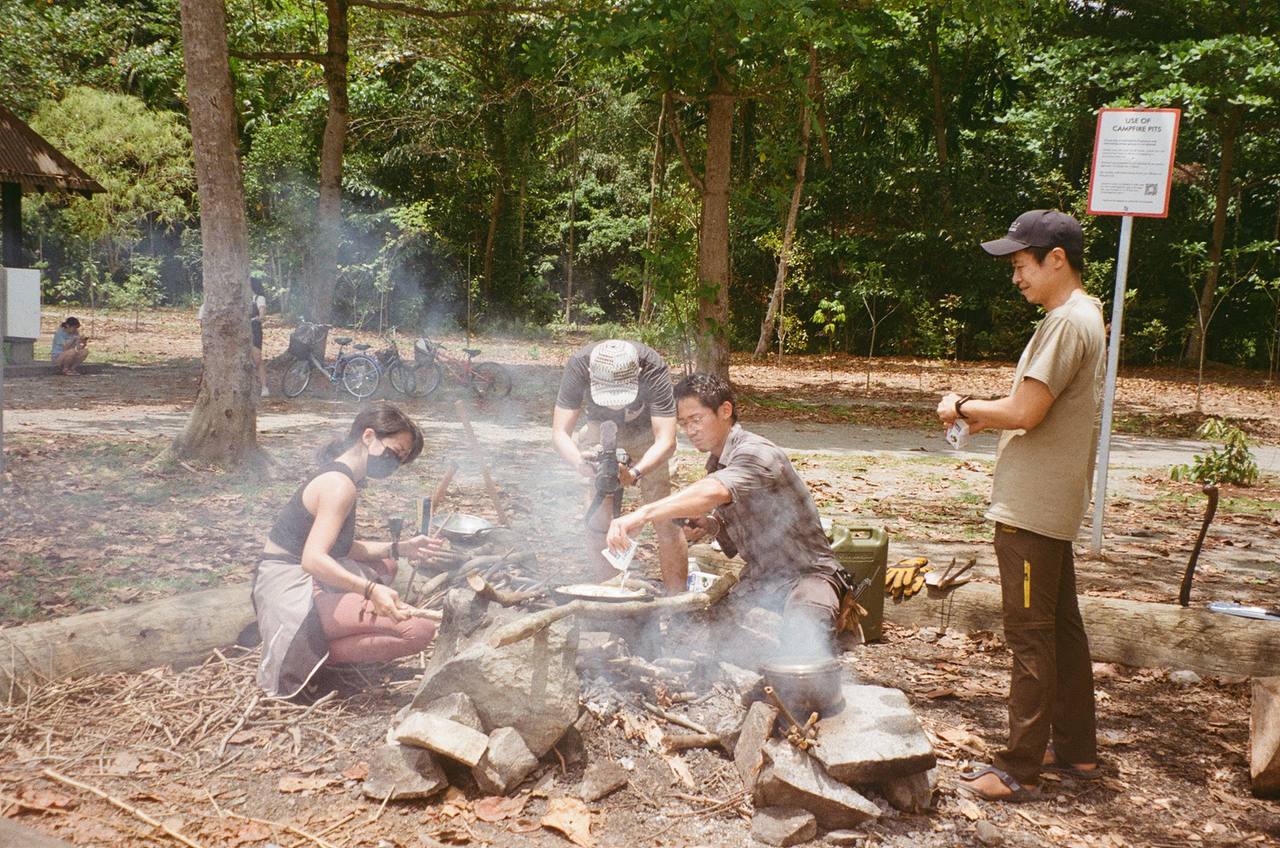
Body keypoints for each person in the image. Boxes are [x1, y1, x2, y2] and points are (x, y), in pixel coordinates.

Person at [937, 209, 1105, 802]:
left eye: (1021, 264)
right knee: (1061, 630)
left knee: (1029, 636)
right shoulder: (1087, 315)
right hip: (1052, 503)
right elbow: (1037, 412)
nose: (1016, 277)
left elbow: (1027, 412)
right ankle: (1078, 752)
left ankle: (1018, 767)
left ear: (1056, 258)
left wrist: (961, 406)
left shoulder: (1066, 322)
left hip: (1030, 511)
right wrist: (989, 416)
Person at [605, 373, 845, 652]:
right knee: (703, 643)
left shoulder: (757, 453)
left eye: (696, 419)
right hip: (761, 579)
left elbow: (714, 491)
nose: (690, 430)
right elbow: (740, 514)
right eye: (683, 424)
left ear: (725, 411)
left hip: (808, 575)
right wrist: (711, 524)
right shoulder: (718, 463)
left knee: (804, 639)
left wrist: (643, 513)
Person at [253, 403, 443, 698]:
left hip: (297, 575)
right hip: (289, 587)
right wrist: (369, 590)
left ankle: (323, 641)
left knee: (387, 567)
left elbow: (338, 547)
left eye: (401, 460)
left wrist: (399, 548)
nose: (394, 463)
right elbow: (313, 558)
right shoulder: (339, 486)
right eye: (395, 452)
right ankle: (312, 658)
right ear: (369, 436)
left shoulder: (342, 477)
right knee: (418, 630)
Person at [552, 338, 688, 592]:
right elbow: (560, 433)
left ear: (638, 373)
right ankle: (610, 596)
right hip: (600, 431)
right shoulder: (580, 365)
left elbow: (666, 440)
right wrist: (582, 465)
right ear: (591, 375)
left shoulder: (652, 367)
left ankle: (678, 603)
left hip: (648, 433)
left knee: (667, 519)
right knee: (597, 521)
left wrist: (635, 472)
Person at [251, 279, 270, 397]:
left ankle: (264, 387)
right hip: (242, 329)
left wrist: (258, 318)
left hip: (254, 329)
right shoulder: (241, 299)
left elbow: (262, 314)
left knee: (257, 359)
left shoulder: (259, 298)